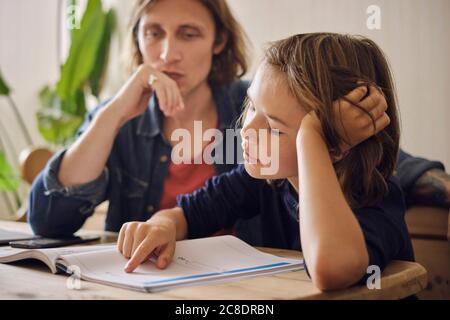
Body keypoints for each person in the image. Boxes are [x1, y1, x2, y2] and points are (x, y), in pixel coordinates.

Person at [28, 0, 449, 242]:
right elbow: (48, 221)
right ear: (138, 39)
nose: (167, 53)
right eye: (153, 33)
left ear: (219, 41)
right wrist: (114, 113)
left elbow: (373, 163)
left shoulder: (256, 100)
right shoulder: (120, 116)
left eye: (188, 34)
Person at [117, 33, 415, 291]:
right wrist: (161, 227)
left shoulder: (377, 199)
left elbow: (329, 270)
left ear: (337, 147)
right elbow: (186, 214)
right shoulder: (261, 179)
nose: (247, 129)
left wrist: (314, 137)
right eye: (252, 106)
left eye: (274, 127)